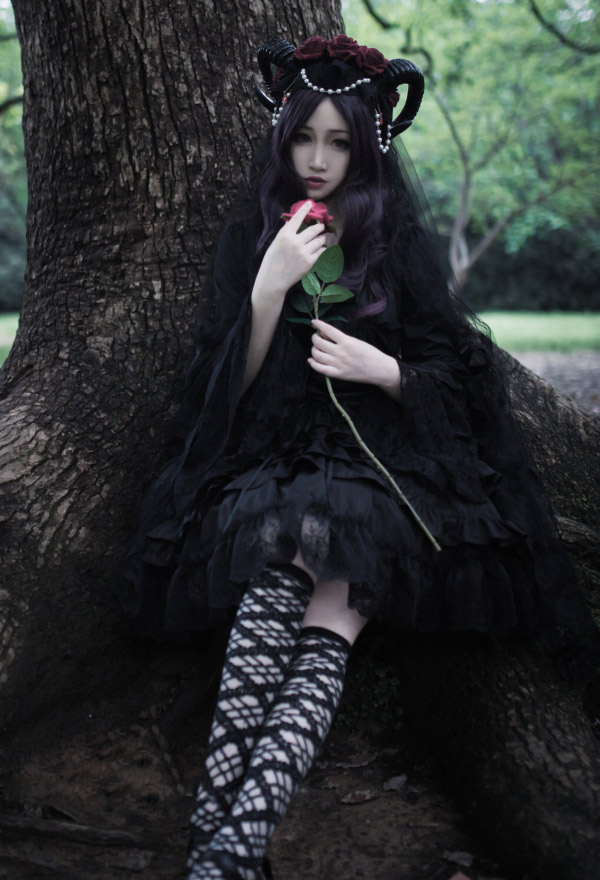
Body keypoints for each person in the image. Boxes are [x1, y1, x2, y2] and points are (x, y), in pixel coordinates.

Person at [111, 35, 599, 880]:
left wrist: (387, 370)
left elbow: (459, 371)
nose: (317, 159)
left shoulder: (393, 236)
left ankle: (225, 848)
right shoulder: (257, 231)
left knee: (332, 606)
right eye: (304, 138)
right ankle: (224, 849)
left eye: (338, 142)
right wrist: (269, 287)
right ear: (283, 137)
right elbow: (224, 387)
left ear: (365, 147)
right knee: (284, 561)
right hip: (278, 455)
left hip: (383, 465)